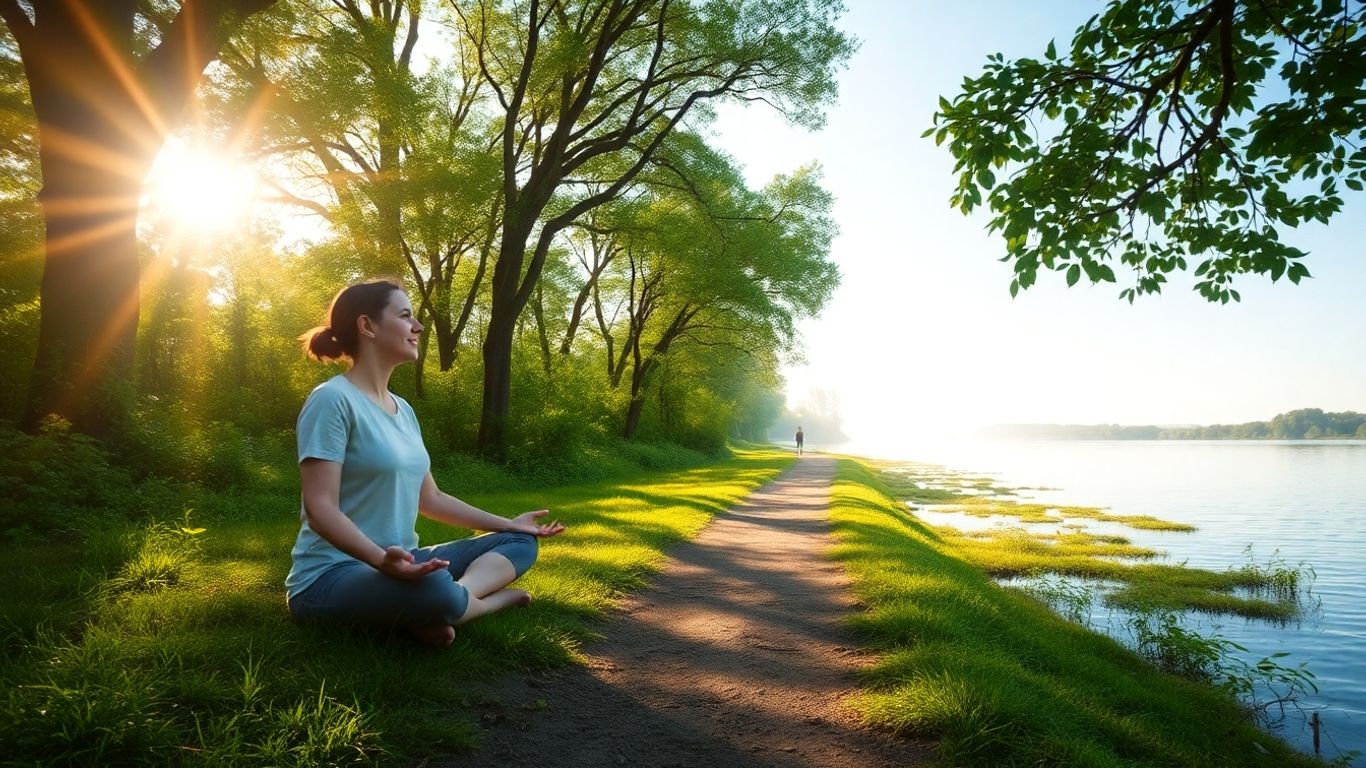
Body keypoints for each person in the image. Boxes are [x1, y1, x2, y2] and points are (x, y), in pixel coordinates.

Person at [284, 278, 565, 648]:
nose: (418, 326)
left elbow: (432, 499)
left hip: (405, 562)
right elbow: (320, 507)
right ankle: (480, 603)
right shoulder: (332, 400)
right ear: (367, 325)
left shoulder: (404, 411)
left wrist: (509, 524)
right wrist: (381, 559)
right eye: (405, 316)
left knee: (519, 542)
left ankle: (442, 606)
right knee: (433, 586)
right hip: (330, 575)